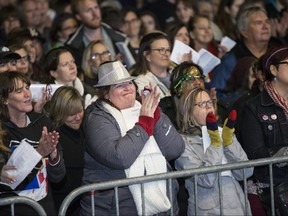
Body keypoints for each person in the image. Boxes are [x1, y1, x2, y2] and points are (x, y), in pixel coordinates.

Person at [81, 60, 185, 215]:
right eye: (118, 85)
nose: (126, 88)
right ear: (106, 94)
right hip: (116, 207)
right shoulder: (96, 118)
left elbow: (175, 149)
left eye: (129, 82)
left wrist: (155, 115)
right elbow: (119, 157)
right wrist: (144, 123)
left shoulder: (144, 108)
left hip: (163, 203)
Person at [175, 87, 253, 215]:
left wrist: (229, 143)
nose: (208, 107)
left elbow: (245, 173)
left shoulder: (223, 132)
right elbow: (206, 181)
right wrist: (215, 144)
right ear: (188, 113)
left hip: (238, 207)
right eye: (202, 104)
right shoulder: (181, 143)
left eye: (210, 102)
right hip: (208, 211)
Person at [0, 71, 66, 215]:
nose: (27, 94)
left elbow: (58, 177)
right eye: (19, 91)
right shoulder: (2, 131)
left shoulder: (41, 121)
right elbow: (9, 182)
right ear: (5, 99)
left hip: (45, 207)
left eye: (27, 88)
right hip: (13, 209)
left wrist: (54, 156)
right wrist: (38, 153)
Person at [240, 46, 288, 215]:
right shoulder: (254, 107)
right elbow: (253, 153)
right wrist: (283, 152)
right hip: (274, 187)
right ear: (273, 69)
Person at [47, 86, 85, 215]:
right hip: (62, 206)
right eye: (71, 114)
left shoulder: (85, 131)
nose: (78, 117)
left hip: (84, 204)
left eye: (80, 110)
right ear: (59, 112)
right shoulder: (54, 138)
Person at [65, 0, 126, 66]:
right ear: (78, 16)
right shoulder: (73, 46)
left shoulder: (119, 36)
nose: (94, 14)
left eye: (96, 8)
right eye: (88, 10)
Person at [132, 31, 172, 99]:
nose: (166, 54)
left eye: (168, 50)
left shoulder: (176, 73)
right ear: (147, 56)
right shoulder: (142, 83)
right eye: (161, 50)